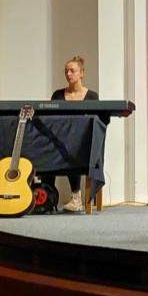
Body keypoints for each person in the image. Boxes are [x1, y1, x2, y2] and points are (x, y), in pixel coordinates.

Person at [49, 55, 98, 212]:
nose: (68, 74)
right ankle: (48, 195)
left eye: (72, 71)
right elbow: (50, 119)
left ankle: (76, 197)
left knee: (72, 147)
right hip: (60, 139)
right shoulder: (57, 95)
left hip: (83, 142)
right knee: (44, 148)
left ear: (81, 73)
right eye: (66, 71)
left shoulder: (92, 96)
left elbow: (96, 122)